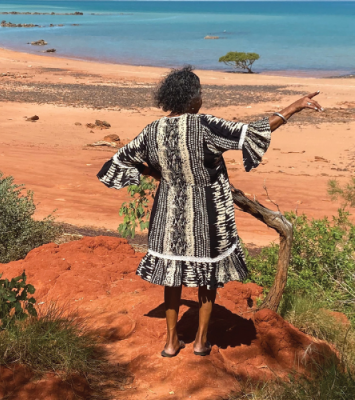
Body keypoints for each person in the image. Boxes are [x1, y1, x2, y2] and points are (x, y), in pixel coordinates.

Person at [97, 66, 323, 357]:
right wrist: (292, 108)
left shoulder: (152, 130)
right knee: (207, 276)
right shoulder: (204, 125)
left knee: (172, 276)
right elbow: (250, 133)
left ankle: (170, 342)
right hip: (207, 216)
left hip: (168, 216)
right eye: (199, 92)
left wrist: (159, 173)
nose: (201, 97)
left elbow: (119, 160)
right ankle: (201, 342)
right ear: (190, 98)